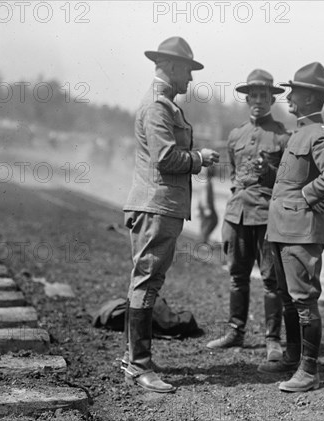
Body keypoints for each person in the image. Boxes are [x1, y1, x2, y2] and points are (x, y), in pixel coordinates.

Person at [122, 36, 220, 393]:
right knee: (147, 282)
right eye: (188, 72)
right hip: (156, 205)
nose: (191, 80)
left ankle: (134, 358)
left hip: (159, 205)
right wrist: (200, 158)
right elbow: (165, 158)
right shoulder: (158, 107)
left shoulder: (163, 105)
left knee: (146, 280)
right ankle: (139, 365)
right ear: (174, 68)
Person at [257, 62, 324, 392]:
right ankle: (293, 359)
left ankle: (309, 372)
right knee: (287, 298)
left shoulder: (319, 136)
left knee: (304, 300)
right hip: (282, 229)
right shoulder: (299, 133)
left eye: (295, 91)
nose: (289, 96)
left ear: (309, 98)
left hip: (301, 231)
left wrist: (306, 196)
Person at [206, 69, 290, 362]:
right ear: (246, 99)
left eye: (263, 96)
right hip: (237, 215)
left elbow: (289, 179)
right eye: (252, 96)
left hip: (267, 216)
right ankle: (235, 332)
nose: (258, 101)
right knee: (237, 276)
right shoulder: (236, 135)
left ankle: (272, 340)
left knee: (271, 280)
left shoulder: (282, 136)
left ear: (271, 99)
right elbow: (233, 176)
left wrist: (271, 171)